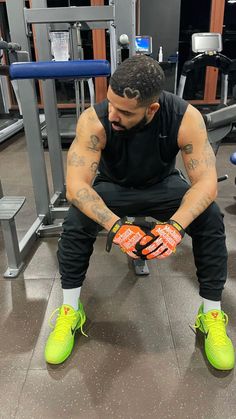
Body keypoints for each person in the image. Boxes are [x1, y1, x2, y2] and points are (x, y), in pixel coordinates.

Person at [44, 54, 234, 370]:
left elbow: (207, 184)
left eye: (125, 112)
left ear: (152, 109)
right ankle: (69, 311)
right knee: (77, 217)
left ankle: (210, 314)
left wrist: (174, 226)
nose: (113, 115)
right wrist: (117, 227)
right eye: (111, 105)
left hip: (162, 185)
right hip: (113, 186)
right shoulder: (95, 120)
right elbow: (77, 187)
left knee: (209, 215)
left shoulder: (184, 117)